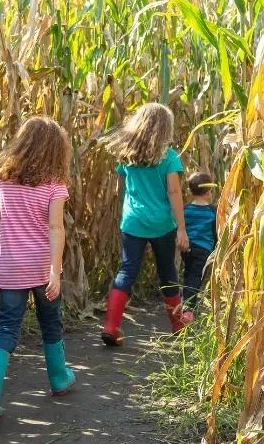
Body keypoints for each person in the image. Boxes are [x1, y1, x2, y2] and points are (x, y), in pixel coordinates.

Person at [0, 117, 75, 421]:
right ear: (55, 150)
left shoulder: (2, 179)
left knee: (5, 328)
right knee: (51, 322)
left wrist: (2, 243)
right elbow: (56, 228)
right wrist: (54, 271)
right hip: (41, 265)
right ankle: (59, 380)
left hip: (10, 265)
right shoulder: (54, 186)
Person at [100, 102, 190, 346]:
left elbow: (122, 188)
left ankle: (110, 326)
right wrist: (181, 227)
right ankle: (178, 326)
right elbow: (173, 191)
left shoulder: (127, 155)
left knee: (127, 270)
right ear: (165, 129)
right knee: (167, 272)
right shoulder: (169, 158)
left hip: (133, 222)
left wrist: (126, 209)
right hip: (162, 223)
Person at [181, 172, 217, 322]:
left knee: (189, 274)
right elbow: (216, 232)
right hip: (204, 250)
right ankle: (188, 310)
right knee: (196, 277)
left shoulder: (186, 209)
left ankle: (187, 305)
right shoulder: (212, 211)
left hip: (187, 249)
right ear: (208, 191)